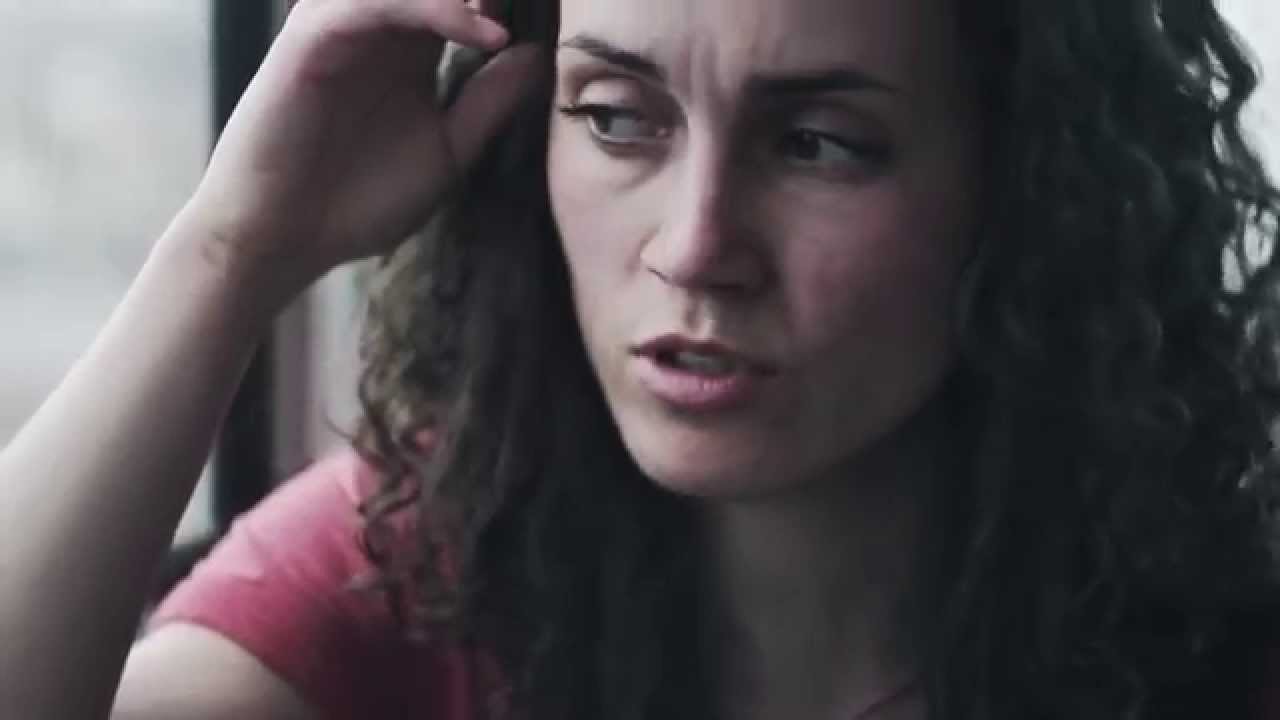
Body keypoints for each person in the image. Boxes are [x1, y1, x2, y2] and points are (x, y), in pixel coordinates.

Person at [3, 0, 1280, 717]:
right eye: (618, 120)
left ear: (1025, 188)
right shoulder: (414, 562)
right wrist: (230, 250)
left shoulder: (1209, 635)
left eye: (818, 144)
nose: (695, 246)